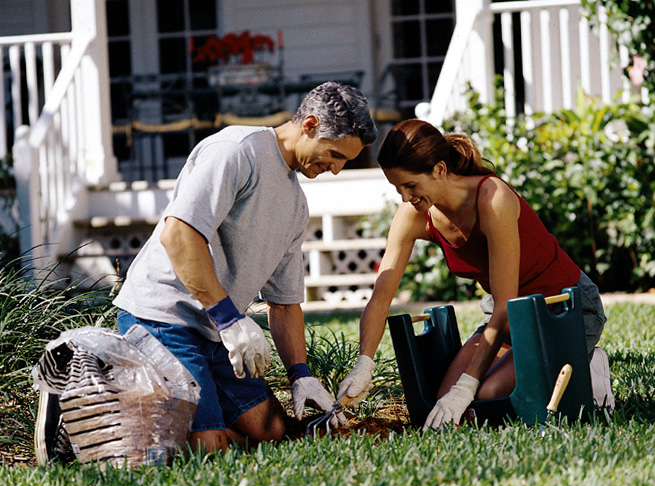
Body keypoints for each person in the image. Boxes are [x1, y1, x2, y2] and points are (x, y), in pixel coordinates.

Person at [112, 82, 378, 452]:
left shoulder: (296, 206)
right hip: (162, 318)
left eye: (345, 162)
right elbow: (178, 236)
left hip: (216, 331)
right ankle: (96, 412)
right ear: (310, 124)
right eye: (334, 154)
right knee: (208, 449)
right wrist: (228, 318)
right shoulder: (236, 150)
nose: (335, 169)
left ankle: (192, 420)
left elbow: (284, 304)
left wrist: (300, 374)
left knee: (271, 430)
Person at [336, 118, 612, 429]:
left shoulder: (493, 199)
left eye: (411, 185)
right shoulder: (415, 215)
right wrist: (364, 364)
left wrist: (466, 388)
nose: (404, 197)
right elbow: (382, 294)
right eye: (397, 187)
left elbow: (506, 306)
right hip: (508, 317)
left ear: (440, 170)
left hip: (562, 309)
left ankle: (586, 370)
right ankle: (562, 366)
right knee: (444, 399)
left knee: (488, 393)